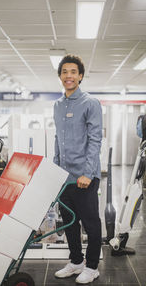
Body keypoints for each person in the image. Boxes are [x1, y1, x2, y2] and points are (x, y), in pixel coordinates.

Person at [53, 55, 102, 284]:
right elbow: (58, 139)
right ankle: (76, 262)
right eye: (64, 71)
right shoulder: (57, 105)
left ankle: (92, 267)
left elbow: (95, 140)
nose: (68, 76)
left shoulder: (90, 103)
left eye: (73, 71)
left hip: (84, 177)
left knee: (91, 225)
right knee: (69, 224)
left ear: (80, 76)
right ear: (60, 76)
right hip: (65, 177)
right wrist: (55, 170)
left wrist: (88, 173)